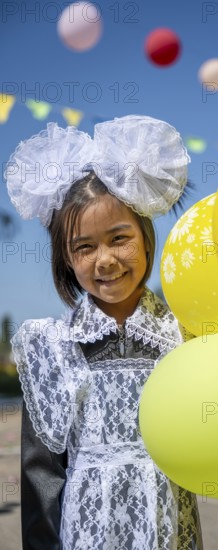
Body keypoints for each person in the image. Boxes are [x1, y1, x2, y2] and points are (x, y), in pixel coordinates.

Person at [5, 116, 203, 550]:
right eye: (85, 247)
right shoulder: (53, 348)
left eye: (119, 238)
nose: (106, 260)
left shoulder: (186, 334)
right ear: (67, 259)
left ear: (146, 238)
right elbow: (42, 477)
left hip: (168, 529)